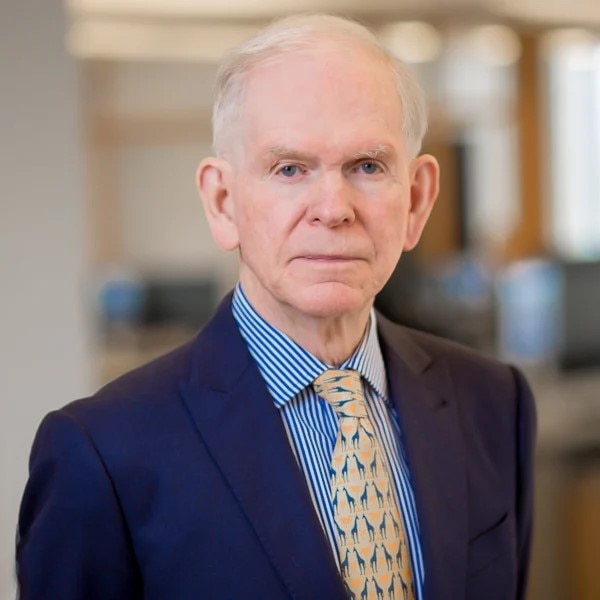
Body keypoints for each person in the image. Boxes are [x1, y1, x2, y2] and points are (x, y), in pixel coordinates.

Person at [16, 14, 535, 600]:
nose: (333, 208)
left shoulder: (495, 404)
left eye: (367, 166)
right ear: (222, 201)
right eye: (289, 169)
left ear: (416, 200)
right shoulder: (103, 452)